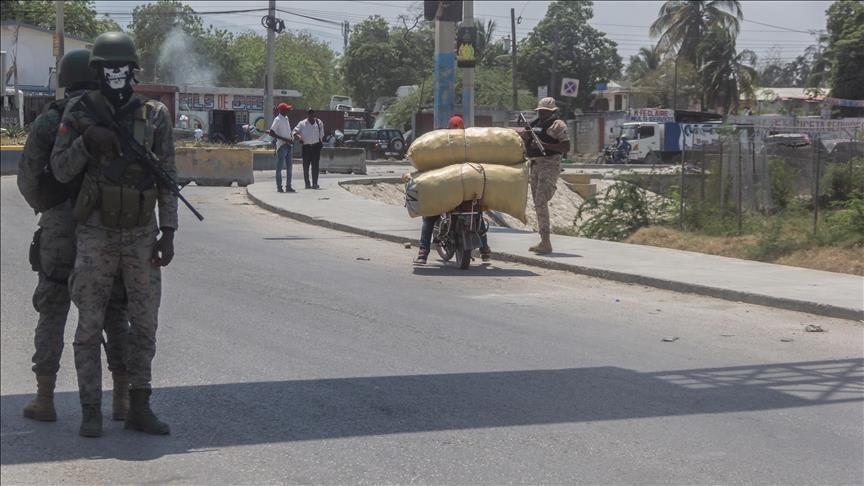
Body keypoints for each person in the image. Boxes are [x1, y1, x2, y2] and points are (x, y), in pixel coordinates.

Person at [50, 31, 176, 437]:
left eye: (121, 67)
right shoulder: (78, 113)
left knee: (144, 324)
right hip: (96, 233)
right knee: (89, 325)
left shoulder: (155, 115)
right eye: (107, 69)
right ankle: (91, 410)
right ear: (97, 72)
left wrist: (169, 230)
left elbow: (167, 177)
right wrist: (87, 141)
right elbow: (60, 170)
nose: (115, 74)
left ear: (133, 70)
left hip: (141, 233)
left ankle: (139, 404)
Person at [16, 48, 131, 426]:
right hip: (106, 223)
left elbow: (29, 179)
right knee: (114, 308)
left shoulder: (51, 120)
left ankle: (45, 398)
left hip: (61, 227)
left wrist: (52, 209)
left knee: (53, 306)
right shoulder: (115, 114)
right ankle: (121, 400)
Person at [519, 97, 570, 254]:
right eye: (540, 111)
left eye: (545, 111)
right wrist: (526, 137)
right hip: (535, 165)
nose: (542, 114)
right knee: (537, 202)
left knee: (541, 200)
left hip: (549, 164)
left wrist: (545, 145)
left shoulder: (558, 125)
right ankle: (543, 241)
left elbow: (566, 146)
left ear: (552, 112)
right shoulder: (534, 125)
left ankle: (546, 241)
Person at [292, 108, 324, 189]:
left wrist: (320, 143)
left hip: (316, 147)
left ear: (314, 114)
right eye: (310, 114)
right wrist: (299, 137)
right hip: (306, 147)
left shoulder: (319, 122)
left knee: (315, 166)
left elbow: (321, 135)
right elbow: (294, 132)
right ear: (307, 115)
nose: (311, 115)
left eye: (312, 114)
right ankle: (307, 183)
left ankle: (315, 183)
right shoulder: (302, 123)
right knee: (306, 166)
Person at [269, 102, 294, 193]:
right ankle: (279, 187)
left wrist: (290, 138)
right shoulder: (277, 119)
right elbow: (272, 132)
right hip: (282, 145)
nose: (288, 111)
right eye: (287, 109)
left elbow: (287, 131)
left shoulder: (286, 118)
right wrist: (284, 139)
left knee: (289, 167)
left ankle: (288, 186)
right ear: (282, 110)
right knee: (279, 168)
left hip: (288, 145)